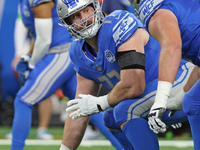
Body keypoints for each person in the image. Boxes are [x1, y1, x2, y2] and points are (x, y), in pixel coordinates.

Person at [57, 0, 200, 149]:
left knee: (124, 111)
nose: (84, 19)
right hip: (148, 100)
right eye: (75, 16)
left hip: (180, 82)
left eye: (86, 11)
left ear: (96, 8)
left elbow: (134, 86)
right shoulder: (78, 53)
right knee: (110, 118)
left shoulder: (118, 23)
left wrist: (100, 103)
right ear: (67, 23)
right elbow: (80, 109)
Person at [11, 0, 123, 150]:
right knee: (83, 106)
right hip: (60, 53)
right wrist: (28, 55)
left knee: (23, 101)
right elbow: (40, 34)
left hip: (60, 53)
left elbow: (45, 40)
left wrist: (31, 63)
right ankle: (125, 147)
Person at [130, 0, 200, 148]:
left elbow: (172, 45)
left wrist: (160, 100)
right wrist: (176, 101)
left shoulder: (156, 10)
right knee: (192, 101)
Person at [7, 8, 54, 140]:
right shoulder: (24, 4)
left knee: (47, 90)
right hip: (34, 47)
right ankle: (18, 129)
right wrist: (19, 53)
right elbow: (21, 25)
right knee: (24, 91)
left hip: (52, 48)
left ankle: (43, 129)